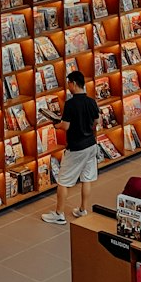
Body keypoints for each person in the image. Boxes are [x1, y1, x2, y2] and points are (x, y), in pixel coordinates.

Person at [42, 70, 100, 224]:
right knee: (87, 178)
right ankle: (82, 209)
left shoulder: (70, 104)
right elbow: (97, 121)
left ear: (73, 83)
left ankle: (59, 214)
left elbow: (66, 126)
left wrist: (56, 124)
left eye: (68, 83)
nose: (68, 87)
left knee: (63, 181)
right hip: (91, 145)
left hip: (76, 147)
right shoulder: (91, 101)